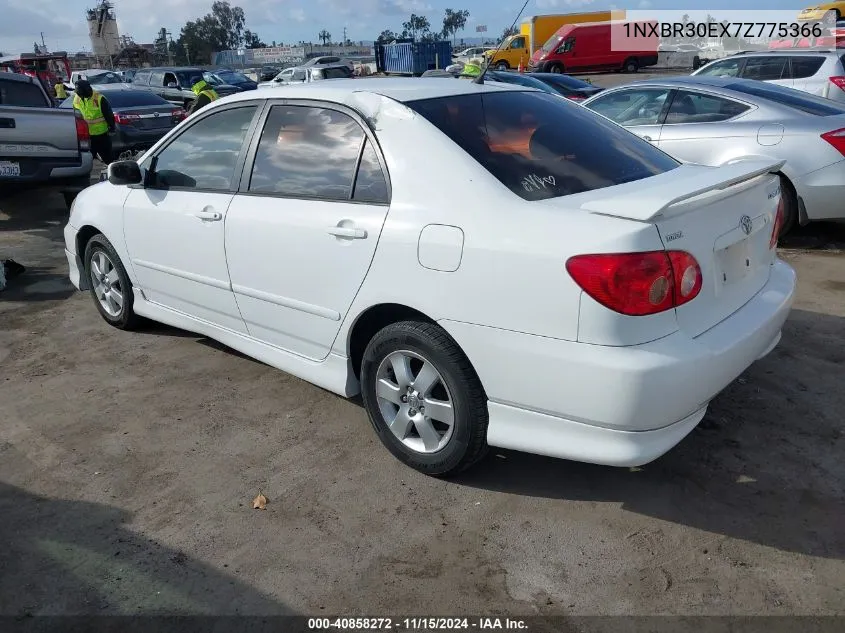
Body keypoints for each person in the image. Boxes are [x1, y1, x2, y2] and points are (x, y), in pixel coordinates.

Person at [73, 79, 115, 165]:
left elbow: (109, 115)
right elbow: (75, 112)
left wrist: (112, 128)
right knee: (87, 159)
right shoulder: (77, 98)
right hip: (86, 135)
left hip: (101, 134)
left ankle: (111, 173)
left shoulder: (99, 99)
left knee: (108, 158)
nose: (81, 96)